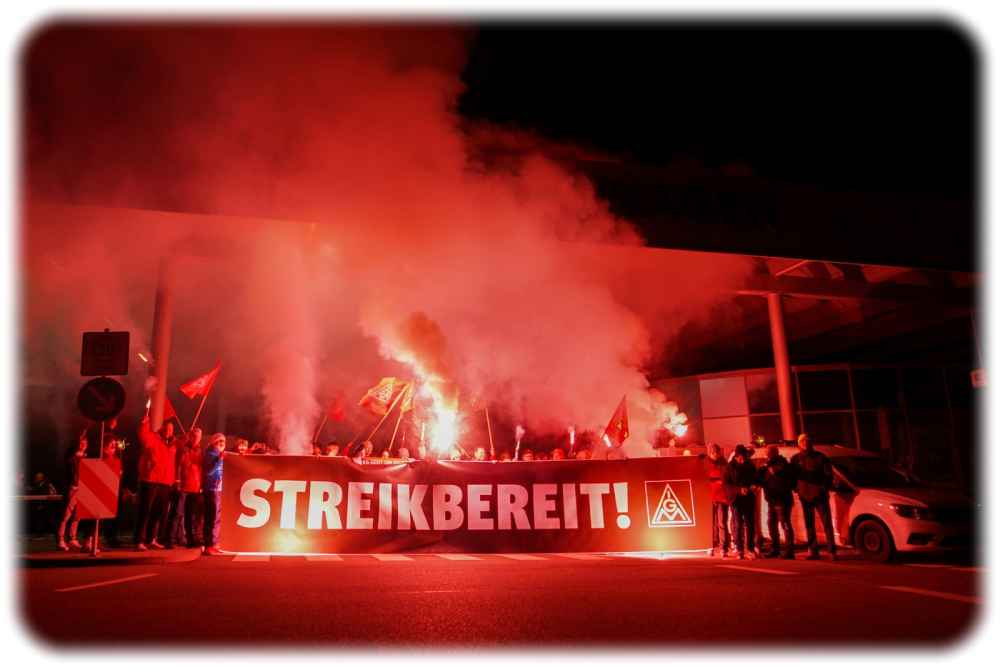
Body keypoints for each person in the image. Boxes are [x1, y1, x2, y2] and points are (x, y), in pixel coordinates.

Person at [790, 433, 837, 560]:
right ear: (799, 444)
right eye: (802, 441)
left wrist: (824, 487)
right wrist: (796, 489)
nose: (805, 443)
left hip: (819, 495)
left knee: (827, 523)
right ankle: (813, 551)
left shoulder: (820, 457)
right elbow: (792, 476)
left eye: (807, 441)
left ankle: (832, 551)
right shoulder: (795, 459)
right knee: (809, 524)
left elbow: (829, 475)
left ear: (811, 442)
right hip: (805, 495)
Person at [134, 417, 178, 551]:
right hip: (150, 480)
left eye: (170, 429)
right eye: (166, 428)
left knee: (157, 513)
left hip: (165, 482)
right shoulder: (153, 438)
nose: (168, 431)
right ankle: (139, 540)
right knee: (145, 511)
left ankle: (151, 539)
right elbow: (142, 435)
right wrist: (145, 422)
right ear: (161, 428)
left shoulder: (173, 444)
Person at [758, 445, 796, 559]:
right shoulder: (767, 466)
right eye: (766, 453)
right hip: (772, 500)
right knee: (772, 524)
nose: (766, 455)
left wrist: (769, 469)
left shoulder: (782, 464)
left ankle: (789, 551)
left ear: (774, 453)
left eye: (768, 453)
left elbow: (781, 476)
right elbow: (762, 479)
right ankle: (775, 549)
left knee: (785, 524)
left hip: (782, 500)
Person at [56, 430, 89, 550]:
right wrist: (77, 452)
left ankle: (72, 539)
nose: (84, 444)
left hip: (82, 489)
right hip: (72, 488)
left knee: (77, 515)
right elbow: (69, 464)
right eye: (81, 442)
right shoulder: (72, 457)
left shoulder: (86, 457)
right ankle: (60, 539)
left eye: (85, 442)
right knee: (66, 515)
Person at [171, 428, 203, 548]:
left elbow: (200, 469)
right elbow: (179, 465)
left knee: (190, 515)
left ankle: (190, 540)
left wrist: (201, 485)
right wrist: (177, 481)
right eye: (194, 436)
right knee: (178, 514)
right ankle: (171, 540)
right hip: (184, 486)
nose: (196, 438)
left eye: (198, 436)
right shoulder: (184, 449)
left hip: (195, 487)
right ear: (190, 436)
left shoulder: (200, 451)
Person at [725, 444, 758, 560]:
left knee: (750, 524)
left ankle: (750, 548)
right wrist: (739, 490)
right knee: (737, 524)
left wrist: (754, 486)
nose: (742, 459)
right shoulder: (730, 467)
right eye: (740, 457)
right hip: (735, 499)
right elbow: (727, 484)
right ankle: (739, 549)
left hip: (748, 498)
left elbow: (755, 478)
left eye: (744, 457)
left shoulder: (750, 465)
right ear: (736, 456)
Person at [705, 443, 731, 557]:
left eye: (717, 452)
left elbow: (726, 478)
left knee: (721, 523)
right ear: (710, 453)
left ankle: (723, 547)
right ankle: (710, 546)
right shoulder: (705, 463)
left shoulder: (724, 464)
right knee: (711, 523)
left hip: (721, 497)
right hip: (710, 497)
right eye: (713, 452)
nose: (715, 454)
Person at [202, 433, 226, 555]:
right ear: (213, 442)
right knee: (211, 518)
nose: (222, 443)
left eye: (223, 441)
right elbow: (209, 471)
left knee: (216, 519)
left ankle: (214, 543)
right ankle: (208, 545)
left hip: (219, 489)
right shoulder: (210, 454)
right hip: (211, 489)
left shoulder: (218, 454)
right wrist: (219, 460)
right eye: (219, 441)